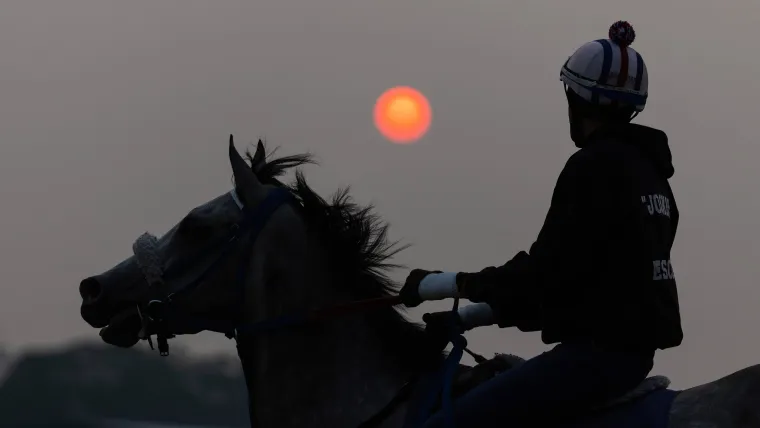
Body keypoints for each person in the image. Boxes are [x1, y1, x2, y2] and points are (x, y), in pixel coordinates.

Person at [399, 21, 683, 428]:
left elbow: (541, 276)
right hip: (631, 357)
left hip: (592, 360)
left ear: (577, 99)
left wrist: (437, 285)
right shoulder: (653, 174)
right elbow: (575, 280)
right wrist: (469, 317)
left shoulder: (593, 166)